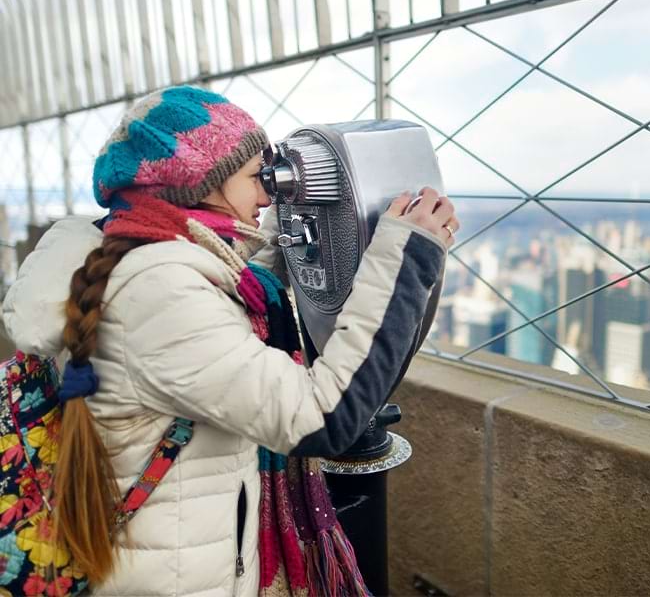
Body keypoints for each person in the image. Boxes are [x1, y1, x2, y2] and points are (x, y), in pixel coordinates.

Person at [2, 85, 459, 596]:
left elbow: (218, 319)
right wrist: (406, 259)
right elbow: (320, 416)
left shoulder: (124, 253)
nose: (269, 193)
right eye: (254, 177)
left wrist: (293, 251)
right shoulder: (157, 292)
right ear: (201, 182)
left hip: (160, 555)